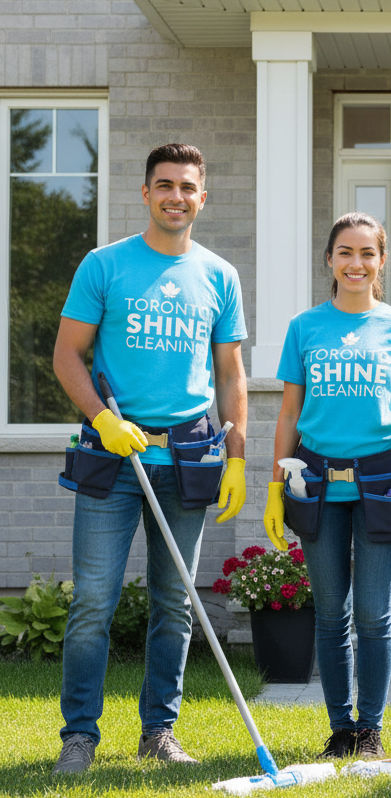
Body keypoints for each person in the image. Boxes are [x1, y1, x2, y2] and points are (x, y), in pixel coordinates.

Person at [51, 143, 248, 775]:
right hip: (114, 460)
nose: (176, 196)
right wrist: (103, 420)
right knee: (93, 603)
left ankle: (158, 733)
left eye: (188, 187)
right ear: (145, 192)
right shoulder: (104, 266)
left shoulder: (219, 275)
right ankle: (79, 736)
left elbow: (230, 372)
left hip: (186, 457)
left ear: (202, 197)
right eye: (164, 185)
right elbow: (66, 355)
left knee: (176, 602)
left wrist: (237, 451)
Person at [262, 211, 391, 761]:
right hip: (315, 481)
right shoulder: (305, 327)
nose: (355, 264)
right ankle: (341, 728)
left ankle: (372, 728)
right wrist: (273, 483)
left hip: (382, 481)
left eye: (366, 254)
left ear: (381, 262)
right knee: (331, 611)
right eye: (345, 253)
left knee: (372, 614)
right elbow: (290, 412)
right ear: (330, 260)